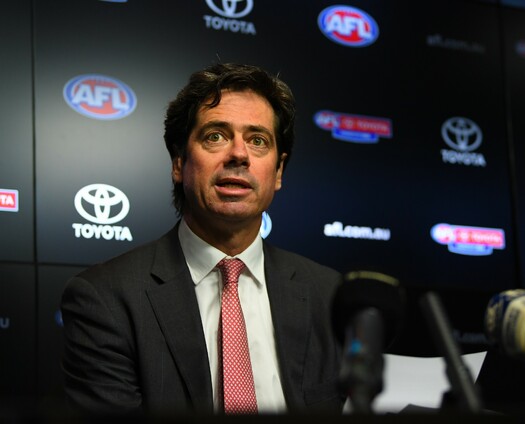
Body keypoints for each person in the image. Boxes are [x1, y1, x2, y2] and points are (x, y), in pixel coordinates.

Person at [60, 63, 344, 416]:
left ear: (278, 172)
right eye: (216, 136)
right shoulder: (106, 299)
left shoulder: (330, 296)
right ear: (179, 163)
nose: (239, 154)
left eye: (258, 140)